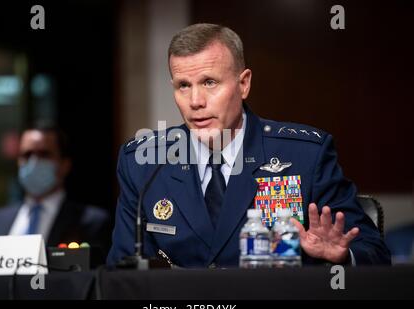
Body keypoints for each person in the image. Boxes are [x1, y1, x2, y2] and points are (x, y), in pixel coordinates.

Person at [107, 23, 391, 268]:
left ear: (243, 84)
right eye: (183, 85)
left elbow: (375, 255)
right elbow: (123, 272)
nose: (195, 101)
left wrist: (341, 257)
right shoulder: (144, 162)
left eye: (209, 82)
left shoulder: (305, 155)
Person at [0, 123, 112, 264]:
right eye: (27, 155)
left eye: (44, 154)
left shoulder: (92, 223)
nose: (34, 162)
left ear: (65, 164)